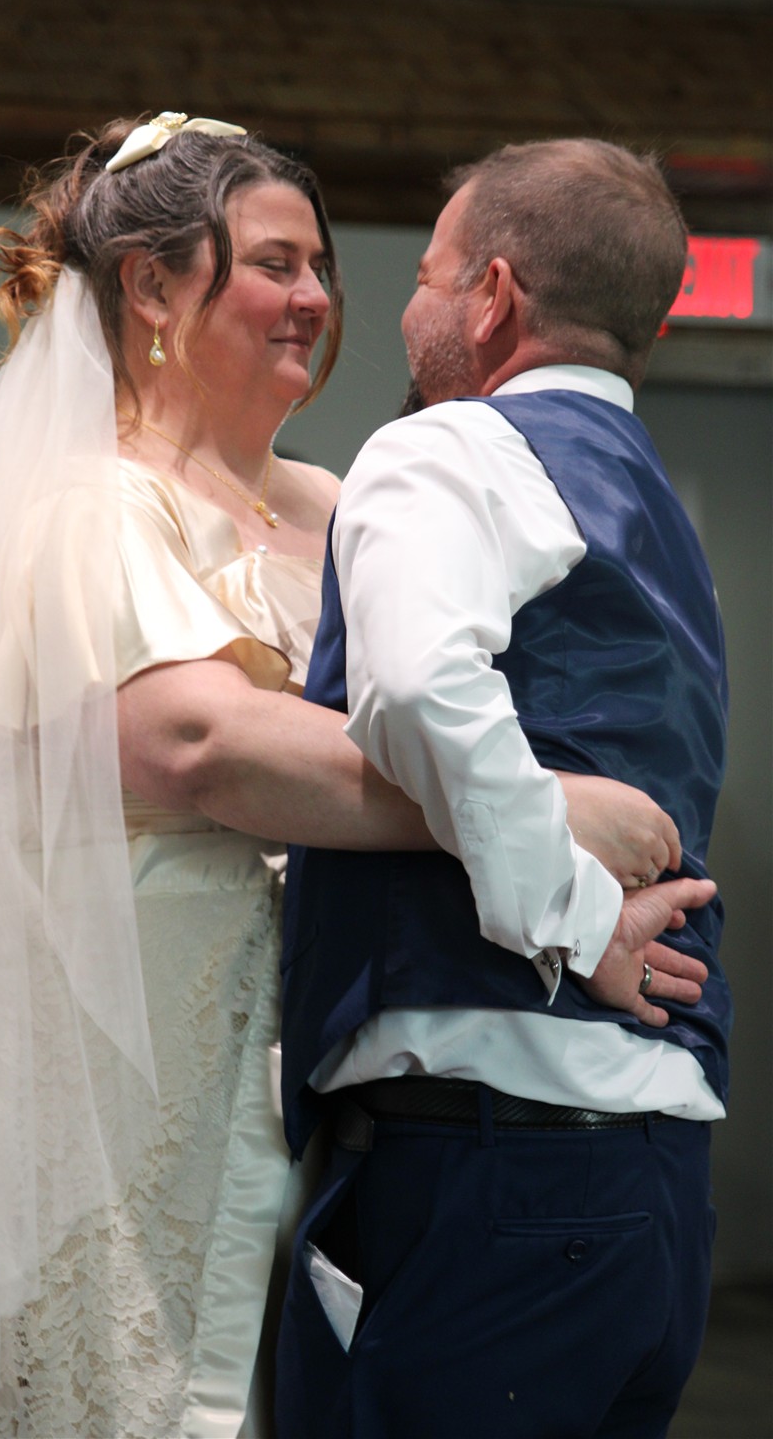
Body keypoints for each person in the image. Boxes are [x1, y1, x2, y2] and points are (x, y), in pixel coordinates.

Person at [0, 114, 698, 1439]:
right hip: (141, 1066)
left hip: (334, 1069)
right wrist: (543, 817)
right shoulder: (91, 506)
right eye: (273, 263)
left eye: (322, 265)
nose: (317, 296)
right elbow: (199, 744)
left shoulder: (336, 500)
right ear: (151, 287)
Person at [276, 139, 730, 1439]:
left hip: (494, 1162)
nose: (403, 310)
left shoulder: (451, 449)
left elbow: (419, 689)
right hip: (654, 1178)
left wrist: (578, 923)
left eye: (424, 275)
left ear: (493, 294)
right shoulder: (655, 506)